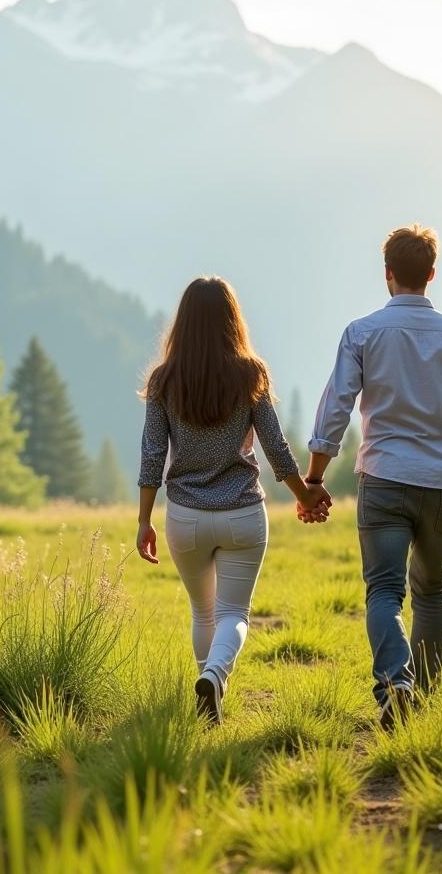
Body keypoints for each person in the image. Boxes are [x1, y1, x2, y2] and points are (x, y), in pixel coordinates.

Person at [303, 224, 442, 730]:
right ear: (432, 275)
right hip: (441, 483)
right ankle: (423, 701)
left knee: (384, 592)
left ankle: (396, 684)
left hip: (383, 479)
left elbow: (335, 410)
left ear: (387, 274)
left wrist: (315, 478)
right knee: (432, 590)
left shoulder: (362, 333)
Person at [135, 276, 332, 724]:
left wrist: (145, 520)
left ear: (182, 323)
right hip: (242, 513)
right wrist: (305, 496)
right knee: (234, 613)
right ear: (232, 320)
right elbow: (276, 448)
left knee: (203, 611)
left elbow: (152, 454)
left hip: (185, 517)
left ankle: (208, 691)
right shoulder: (251, 374)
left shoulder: (164, 380)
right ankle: (216, 678)